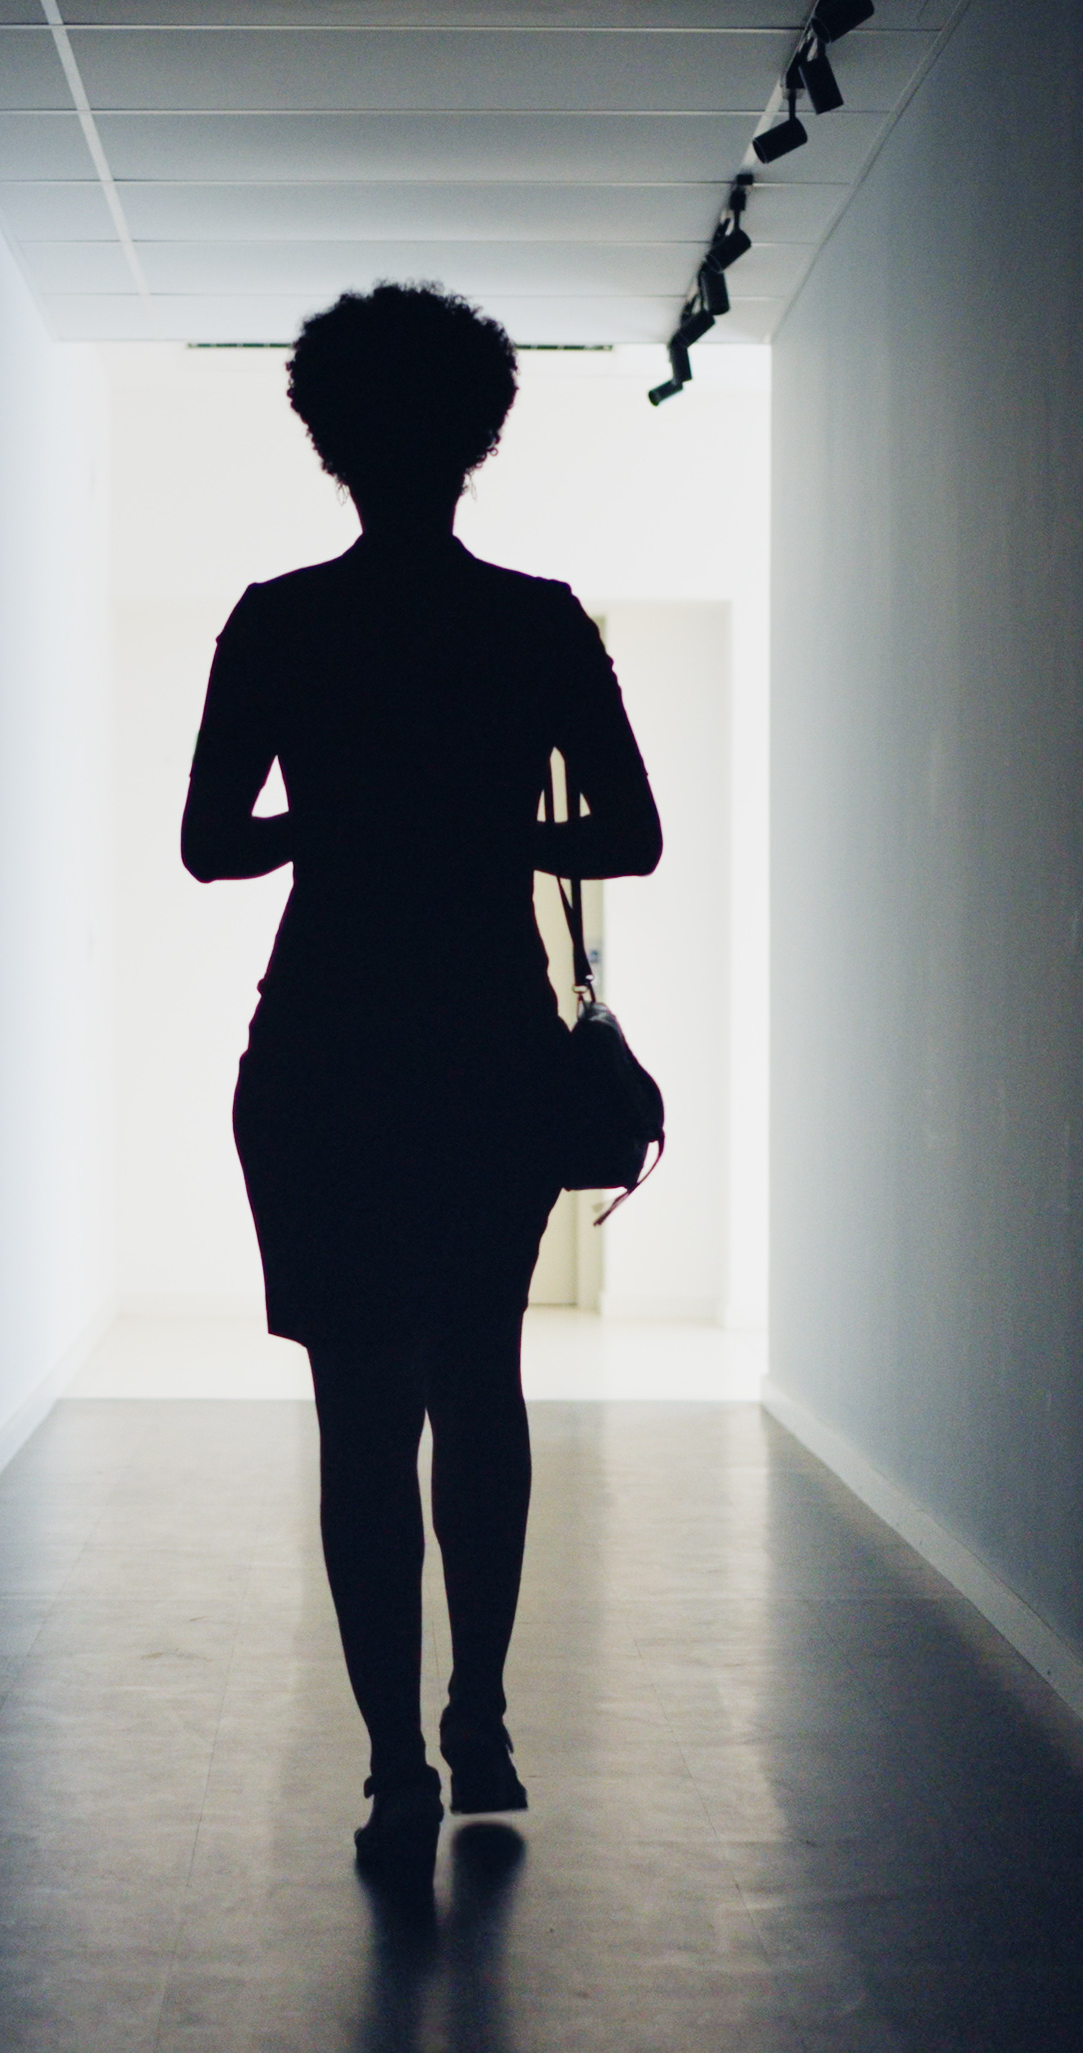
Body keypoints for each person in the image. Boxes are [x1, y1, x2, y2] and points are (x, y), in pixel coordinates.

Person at [181, 284, 662, 1856]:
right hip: (485, 1048)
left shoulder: (277, 618)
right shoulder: (532, 621)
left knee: (358, 1409)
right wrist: (490, 830)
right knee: (480, 1375)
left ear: (327, 437)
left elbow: (207, 845)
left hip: (320, 1048)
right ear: (479, 438)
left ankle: (392, 1754)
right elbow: (633, 837)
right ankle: (481, 1709)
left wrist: (333, 824)